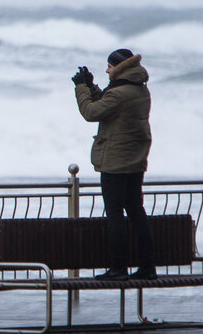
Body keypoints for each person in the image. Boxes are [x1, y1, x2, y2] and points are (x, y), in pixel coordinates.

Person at [72, 49, 156, 281]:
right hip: (135, 161)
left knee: (115, 215)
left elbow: (91, 112)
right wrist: (92, 87)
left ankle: (119, 268)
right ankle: (148, 267)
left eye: (109, 66)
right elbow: (110, 105)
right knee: (137, 212)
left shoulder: (120, 93)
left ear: (119, 68)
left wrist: (80, 88)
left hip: (115, 162)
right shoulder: (139, 89)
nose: (107, 70)